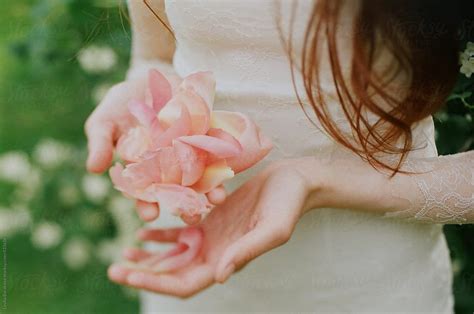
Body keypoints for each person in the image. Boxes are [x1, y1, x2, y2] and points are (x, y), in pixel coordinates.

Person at [84, 0, 473, 312]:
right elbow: (157, 54)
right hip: (199, 246)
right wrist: (144, 91)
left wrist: (319, 183)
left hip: (370, 279)